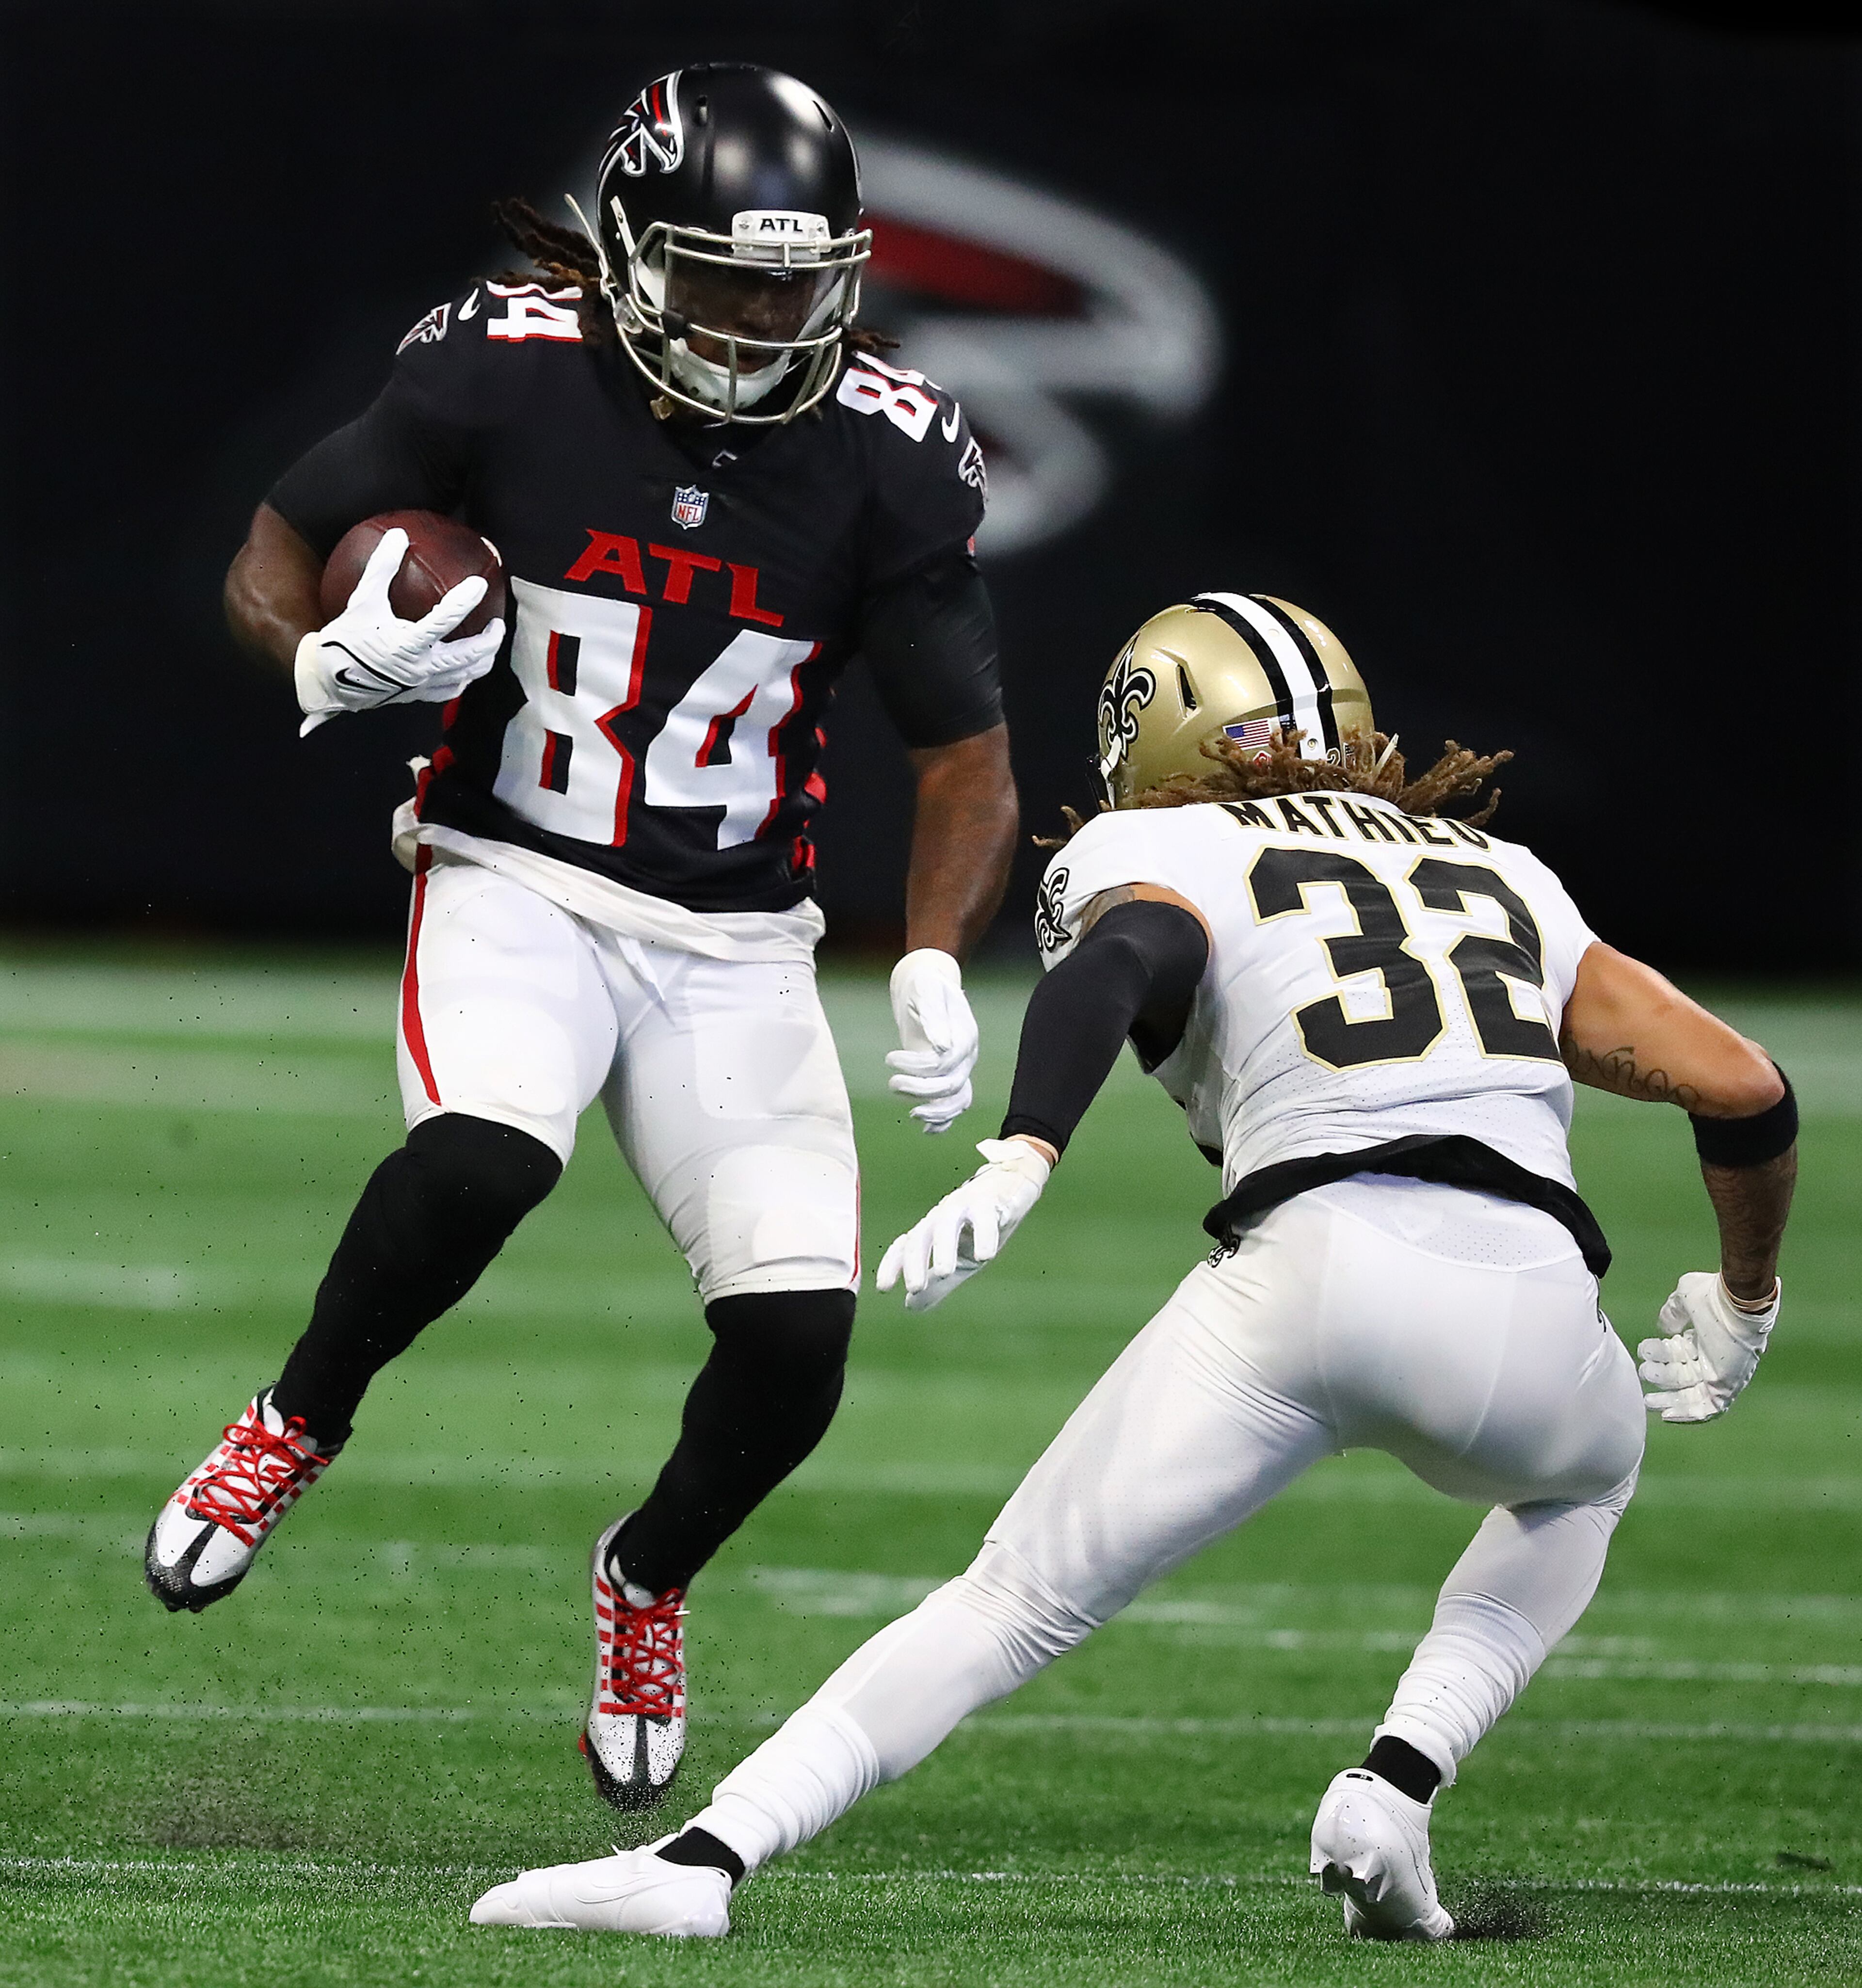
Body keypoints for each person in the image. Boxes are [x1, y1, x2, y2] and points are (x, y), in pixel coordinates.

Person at [467, 590, 1797, 1941]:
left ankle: (703, 1861)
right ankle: (1397, 1783)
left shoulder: (1158, 843)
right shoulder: (1503, 871)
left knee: (1010, 1602)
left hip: (1309, 1271)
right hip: (1536, 1294)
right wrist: (1746, 1297)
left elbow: (1123, 960)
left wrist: (1024, 1153)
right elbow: (1745, 1087)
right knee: (1583, 1483)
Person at [143, 62, 1018, 1818]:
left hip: (736, 938)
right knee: (483, 1156)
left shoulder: (888, 451)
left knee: (799, 1341)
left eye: (796, 284)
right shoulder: (500, 366)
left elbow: (968, 763)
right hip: (512, 868)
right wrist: (314, 656)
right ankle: (295, 1421)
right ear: (629, 251)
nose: (763, 323)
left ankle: (646, 1574)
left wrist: (932, 949)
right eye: (723, 279)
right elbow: (274, 546)